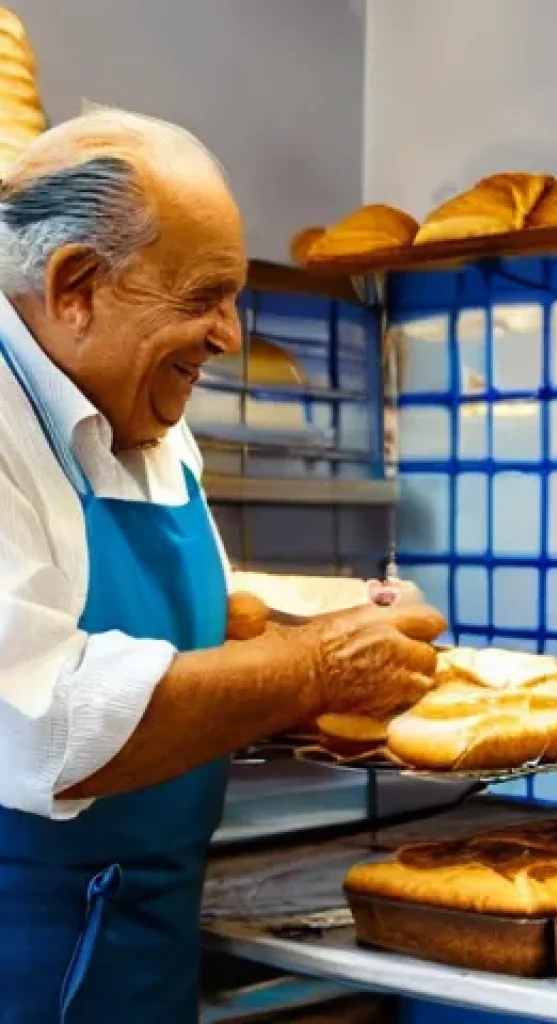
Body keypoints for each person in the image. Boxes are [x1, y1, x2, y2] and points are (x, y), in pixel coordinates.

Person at [0, 109, 446, 1023]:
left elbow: (139, 610)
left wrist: (300, 622)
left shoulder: (136, 407)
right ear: (77, 285)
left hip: (144, 946)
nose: (229, 336)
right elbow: (39, 723)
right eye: (205, 296)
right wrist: (313, 668)